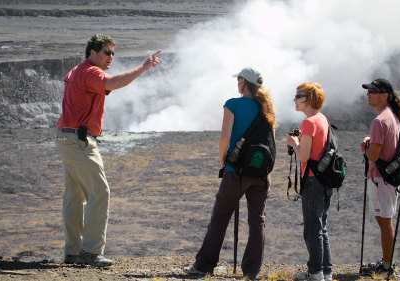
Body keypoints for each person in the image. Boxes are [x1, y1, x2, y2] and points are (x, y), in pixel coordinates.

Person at [55, 34, 161, 267]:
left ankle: (73, 251)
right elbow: (111, 83)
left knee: (75, 196)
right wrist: (143, 67)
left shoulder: (78, 69)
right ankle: (90, 252)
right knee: (100, 192)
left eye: (113, 52)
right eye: (107, 52)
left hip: (67, 138)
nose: (111, 57)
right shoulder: (91, 72)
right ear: (92, 52)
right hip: (79, 141)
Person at [185, 67, 276, 279]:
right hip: (261, 174)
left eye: (239, 79)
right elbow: (271, 143)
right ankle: (251, 271)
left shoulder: (233, 104)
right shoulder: (267, 108)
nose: (237, 82)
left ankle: (203, 266)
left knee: (220, 217)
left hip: (236, 171)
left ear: (244, 82)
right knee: (257, 221)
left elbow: (225, 138)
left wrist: (223, 158)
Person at [286, 82, 333, 281]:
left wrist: (294, 143)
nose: (295, 99)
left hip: (313, 181)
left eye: (299, 96)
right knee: (321, 227)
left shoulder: (309, 123)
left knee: (312, 229)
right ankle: (326, 271)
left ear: (310, 99)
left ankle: (315, 274)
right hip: (325, 179)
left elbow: (304, 156)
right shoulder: (322, 119)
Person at [359, 78, 400, 277]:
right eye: (368, 91)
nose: (368, 94)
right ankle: (387, 262)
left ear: (384, 95)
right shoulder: (392, 116)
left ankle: (387, 266)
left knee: (385, 222)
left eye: (373, 91)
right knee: (386, 221)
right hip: (389, 178)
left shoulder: (379, 121)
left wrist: (365, 148)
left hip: (380, 178)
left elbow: (374, 156)